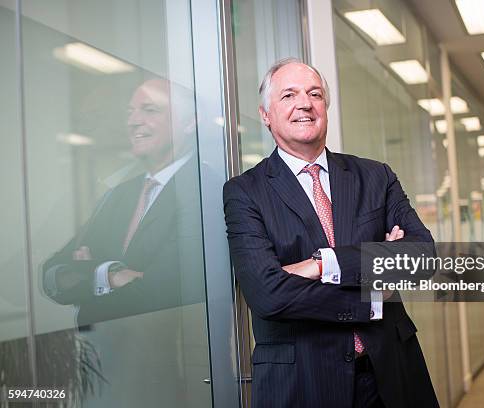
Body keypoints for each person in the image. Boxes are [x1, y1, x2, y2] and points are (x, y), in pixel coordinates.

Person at [223, 58, 439, 408]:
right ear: (265, 114)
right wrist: (373, 290)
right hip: (304, 383)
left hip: (391, 373)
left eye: (314, 94)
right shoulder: (245, 192)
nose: (304, 103)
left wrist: (322, 265)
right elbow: (267, 295)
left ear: (325, 106)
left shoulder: (375, 177)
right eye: (288, 95)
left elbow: (421, 258)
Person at [42, 78, 204, 327]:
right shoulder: (118, 194)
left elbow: (166, 291)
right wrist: (110, 274)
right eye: (131, 112)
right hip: (102, 350)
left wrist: (89, 271)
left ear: (189, 123)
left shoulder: (206, 189)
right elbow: (52, 273)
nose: (133, 121)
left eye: (149, 110)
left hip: (177, 352)